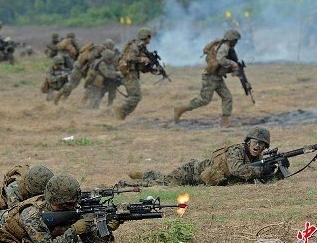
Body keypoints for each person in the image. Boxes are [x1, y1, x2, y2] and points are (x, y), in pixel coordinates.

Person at [118, 127, 283, 187]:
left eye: (262, 144)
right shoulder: (236, 151)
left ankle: (147, 174)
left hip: (203, 180)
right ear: (248, 142)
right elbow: (236, 170)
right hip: (193, 171)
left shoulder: (256, 157)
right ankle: (130, 182)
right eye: (255, 142)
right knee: (165, 183)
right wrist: (261, 171)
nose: (258, 146)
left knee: (165, 180)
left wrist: (274, 171)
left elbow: (253, 175)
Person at [174, 29, 242, 127]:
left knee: (227, 97)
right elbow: (220, 59)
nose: (236, 43)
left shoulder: (223, 46)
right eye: (235, 40)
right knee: (204, 100)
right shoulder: (224, 47)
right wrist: (233, 64)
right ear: (231, 40)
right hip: (210, 77)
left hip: (217, 77)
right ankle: (180, 109)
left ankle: (225, 122)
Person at [53, 38, 116, 104]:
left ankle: (83, 100)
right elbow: (91, 59)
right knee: (72, 85)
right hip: (79, 69)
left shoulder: (101, 50)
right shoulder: (98, 50)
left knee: (92, 84)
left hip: (86, 70)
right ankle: (59, 95)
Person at [114, 28, 153, 120]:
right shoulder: (135, 46)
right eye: (149, 37)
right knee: (135, 96)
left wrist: (150, 69)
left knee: (136, 96)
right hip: (129, 73)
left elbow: (139, 66)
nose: (150, 39)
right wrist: (142, 59)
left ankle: (122, 115)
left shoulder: (141, 47)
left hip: (132, 73)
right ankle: (120, 110)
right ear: (146, 37)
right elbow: (130, 58)